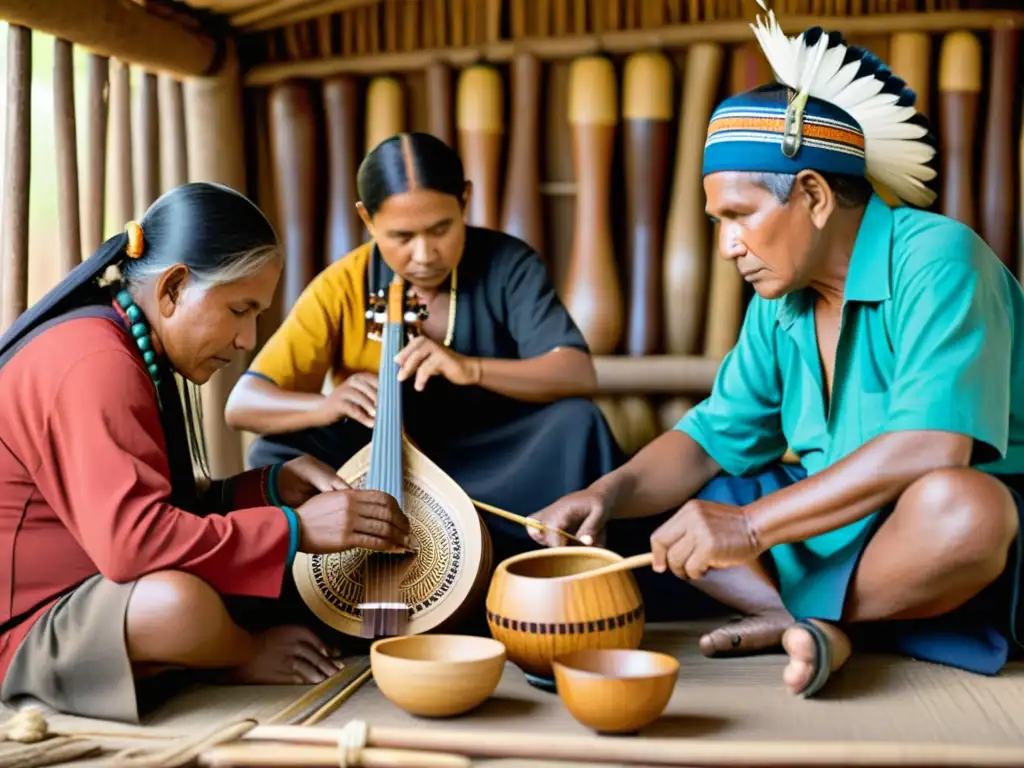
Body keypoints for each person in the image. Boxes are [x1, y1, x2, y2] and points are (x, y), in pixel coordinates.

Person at [529, 12, 1024, 698]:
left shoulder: (939, 258)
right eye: (719, 224)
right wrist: (604, 494)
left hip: (934, 545)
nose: (728, 245)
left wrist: (752, 526)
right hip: (832, 530)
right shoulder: (780, 305)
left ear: (815, 196)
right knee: (694, 504)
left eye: (739, 216)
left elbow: (931, 450)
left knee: (965, 509)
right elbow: (707, 442)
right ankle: (818, 622)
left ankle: (814, 618)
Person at [0, 182, 411, 723]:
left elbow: (165, 508)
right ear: (173, 288)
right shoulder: (95, 362)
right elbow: (136, 544)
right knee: (176, 607)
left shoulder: (126, 341)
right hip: (28, 624)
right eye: (240, 309)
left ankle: (206, 648)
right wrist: (295, 529)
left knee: (256, 581)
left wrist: (270, 488)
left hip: (95, 584)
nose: (247, 339)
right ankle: (236, 654)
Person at [225, 131, 625, 565]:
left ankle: (513, 562)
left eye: (441, 229)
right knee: (272, 454)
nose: (424, 254)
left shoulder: (507, 263)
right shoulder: (343, 283)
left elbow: (577, 372)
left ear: (465, 200)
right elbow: (242, 405)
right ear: (367, 219)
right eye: (401, 235)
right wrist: (326, 405)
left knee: (576, 421)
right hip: (387, 465)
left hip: (500, 459)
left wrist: (469, 368)